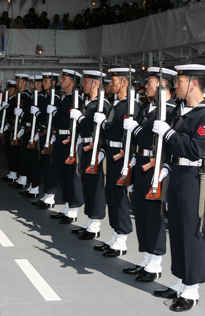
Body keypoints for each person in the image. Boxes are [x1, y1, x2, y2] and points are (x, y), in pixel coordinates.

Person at [149, 64, 205, 312]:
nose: (176, 85)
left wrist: (170, 134)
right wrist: (166, 167)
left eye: (180, 80)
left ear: (193, 83)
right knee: (178, 231)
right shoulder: (183, 111)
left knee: (191, 233)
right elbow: (173, 149)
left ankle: (192, 290)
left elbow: (196, 150)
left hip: (194, 178)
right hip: (177, 173)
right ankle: (182, 280)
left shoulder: (203, 115)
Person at [121, 67, 177, 282]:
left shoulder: (170, 110)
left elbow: (149, 140)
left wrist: (134, 129)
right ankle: (145, 258)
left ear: (163, 84)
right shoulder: (148, 108)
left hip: (157, 168)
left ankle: (155, 263)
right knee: (142, 213)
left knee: (154, 215)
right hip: (142, 163)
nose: (146, 86)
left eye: (151, 81)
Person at [93, 68, 139, 257]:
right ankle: (114, 234)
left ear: (124, 83)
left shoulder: (131, 105)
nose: (110, 84)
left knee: (120, 198)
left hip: (122, 154)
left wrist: (104, 124)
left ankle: (121, 239)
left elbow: (120, 132)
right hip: (112, 152)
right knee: (111, 195)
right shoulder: (117, 103)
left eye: (114, 81)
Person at [70, 70, 110, 240]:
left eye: (86, 81)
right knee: (87, 185)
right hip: (85, 147)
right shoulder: (90, 103)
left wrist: (79, 119)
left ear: (95, 83)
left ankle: (95, 224)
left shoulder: (102, 105)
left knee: (96, 186)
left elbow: (94, 129)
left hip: (95, 149)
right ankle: (90, 220)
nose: (83, 85)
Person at [49, 69, 84, 224]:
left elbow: (73, 123)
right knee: (63, 174)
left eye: (64, 78)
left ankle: (74, 208)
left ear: (72, 81)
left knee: (71, 174)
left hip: (69, 140)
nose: (60, 81)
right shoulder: (65, 98)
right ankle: (67, 204)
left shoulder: (76, 99)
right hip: (60, 137)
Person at [34, 73, 61, 209]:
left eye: (46, 80)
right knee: (44, 164)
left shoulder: (55, 98)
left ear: (53, 83)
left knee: (50, 166)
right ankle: (46, 193)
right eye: (43, 80)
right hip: (44, 134)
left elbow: (54, 119)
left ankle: (51, 196)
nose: (43, 82)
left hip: (50, 135)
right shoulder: (47, 97)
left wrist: (38, 114)